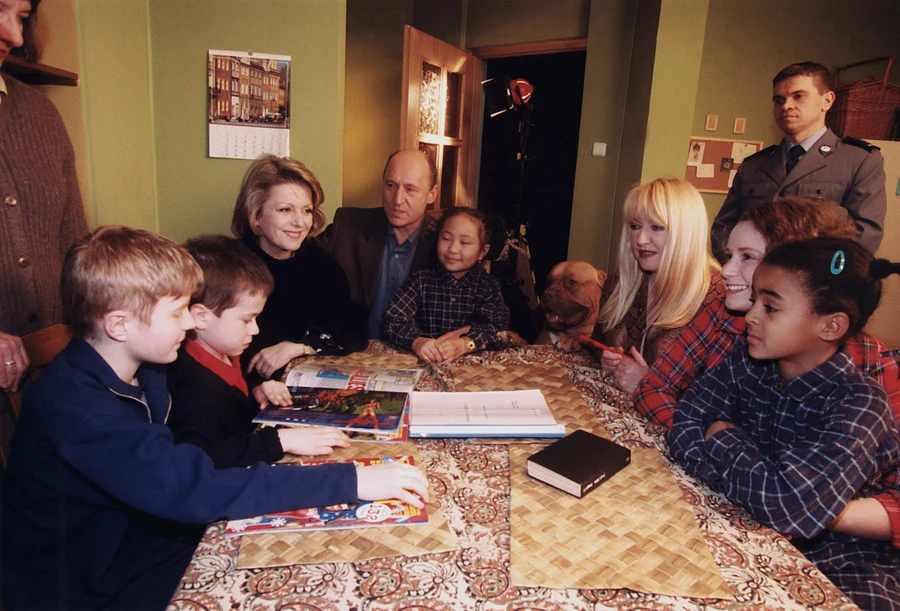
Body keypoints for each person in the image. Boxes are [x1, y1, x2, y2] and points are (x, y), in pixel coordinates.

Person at [0, 225, 429, 611]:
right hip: (85, 584)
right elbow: (193, 485)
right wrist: (352, 480)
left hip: (133, 536)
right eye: (177, 312)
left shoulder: (145, 368)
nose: (191, 322)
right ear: (119, 325)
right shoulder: (78, 410)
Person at [669, 237, 900, 610]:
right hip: (747, 526)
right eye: (756, 299)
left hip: (846, 561)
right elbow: (685, 424)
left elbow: (790, 506)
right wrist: (756, 482)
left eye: (771, 307)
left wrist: (724, 436)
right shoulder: (746, 363)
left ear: (830, 326)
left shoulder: (860, 404)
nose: (751, 316)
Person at [636, 196, 900, 431]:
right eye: (729, 256)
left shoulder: (868, 361)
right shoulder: (721, 312)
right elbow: (654, 387)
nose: (726, 270)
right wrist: (707, 441)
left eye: (747, 257)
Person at [167, 235, 350, 469]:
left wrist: (256, 391)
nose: (255, 329)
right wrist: (280, 441)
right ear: (200, 317)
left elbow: (232, 403)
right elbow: (206, 460)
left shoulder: (222, 351)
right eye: (247, 320)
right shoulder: (192, 386)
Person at [710, 61, 886, 260]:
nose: (786, 106)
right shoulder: (754, 166)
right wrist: (740, 264)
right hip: (751, 281)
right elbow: (723, 227)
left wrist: (804, 276)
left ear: (827, 101)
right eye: (779, 100)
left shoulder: (859, 161)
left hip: (815, 285)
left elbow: (864, 236)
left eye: (798, 96)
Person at [0, 0, 89, 392]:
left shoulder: (41, 114)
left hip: (54, 372)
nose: (15, 36)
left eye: (21, 18)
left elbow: (75, 242)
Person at [231, 155, 367, 381]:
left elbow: (356, 329)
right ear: (256, 215)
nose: (300, 223)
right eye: (285, 210)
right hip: (250, 392)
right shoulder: (232, 265)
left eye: (306, 210)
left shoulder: (320, 263)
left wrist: (298, 346)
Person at [593, 178, 722, 393]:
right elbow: (597, 342)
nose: (641, 239)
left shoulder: (716, 298)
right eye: (635, 227)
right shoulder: (620, 282)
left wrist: (650, 384)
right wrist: (606, 359)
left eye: (657, 227)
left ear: (685, 233)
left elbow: (722, 396)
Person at [318, 149, 440, 339]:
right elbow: (298, 265)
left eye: (410, 189)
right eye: (391, 185)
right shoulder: (347, 226)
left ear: (432, 194)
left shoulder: (445, 243)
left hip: (417, 358)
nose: (397, 200)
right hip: (351, 354)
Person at [381, 207, 510, 363]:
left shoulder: (488, 286)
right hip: (424, 365)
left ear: (482, 252)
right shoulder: (420, 280)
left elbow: (497, 327)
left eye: (465, 242)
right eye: (446, 238)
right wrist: (417, 341)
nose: (453, 249)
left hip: (472, 370)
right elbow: (391, 320)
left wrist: (466, 343)